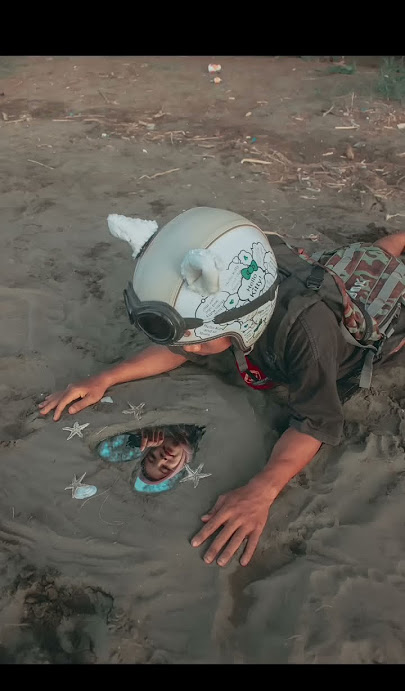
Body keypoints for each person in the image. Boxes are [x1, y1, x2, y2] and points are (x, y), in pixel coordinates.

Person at [39, 208, 405, 567]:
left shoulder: (306, 335)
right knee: (376, 253)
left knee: (387, 276)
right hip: (341, 271)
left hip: (371, 314)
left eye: (196, 342)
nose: (188, 350)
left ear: (245, 320)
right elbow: (181, 347)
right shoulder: (251, 256)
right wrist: (106, 377)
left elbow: (316, 421)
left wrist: (263, 488)